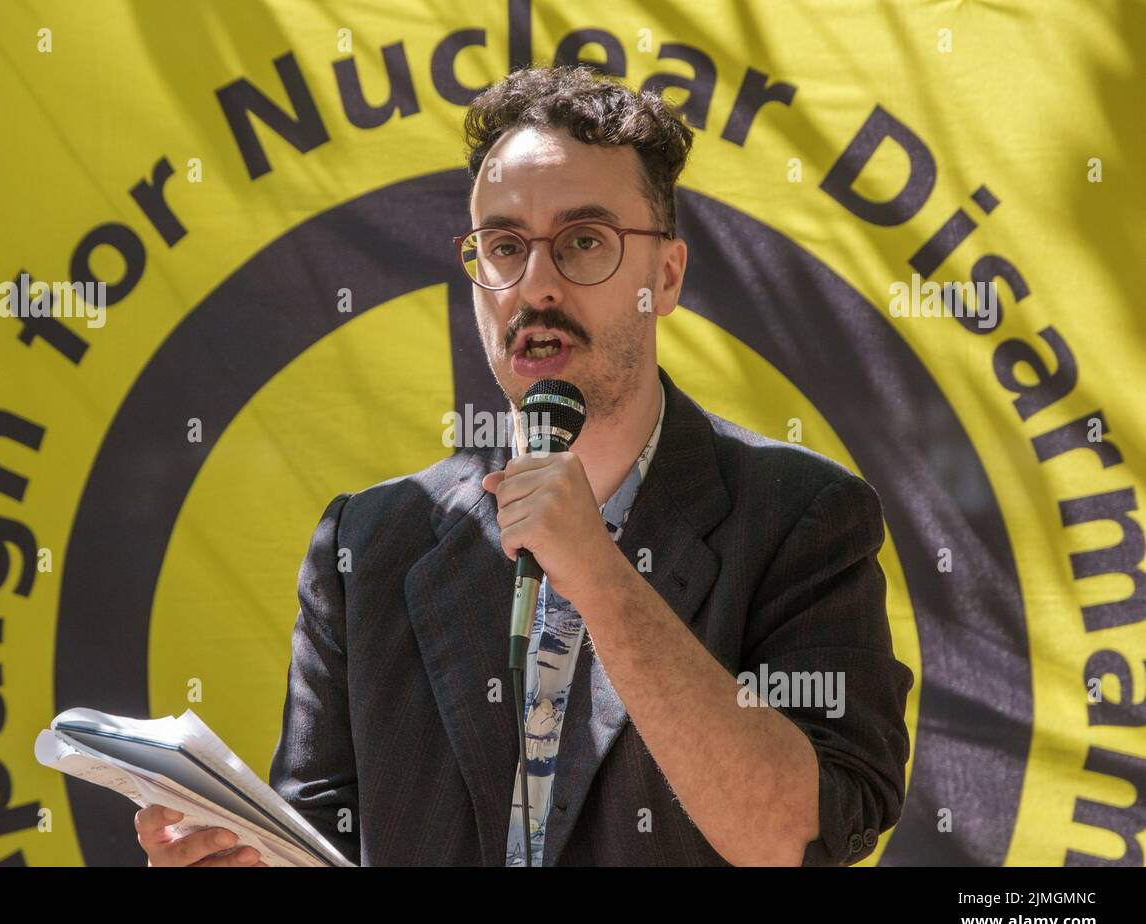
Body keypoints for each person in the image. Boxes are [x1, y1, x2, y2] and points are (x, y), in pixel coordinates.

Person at [138, 64, 913, 867]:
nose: (535, 286)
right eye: (505, 246)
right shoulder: (368, 545)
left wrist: (601, 577)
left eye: (584, 241)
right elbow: (321, 836)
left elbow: (805, 833)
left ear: (666, 276)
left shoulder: (801, 516)